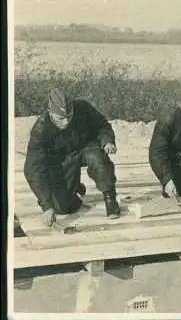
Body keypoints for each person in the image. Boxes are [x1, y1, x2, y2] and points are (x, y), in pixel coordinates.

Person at [24, 88, 121, 227]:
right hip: (62, 161)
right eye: (61, 118)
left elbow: (102, 125)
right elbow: (33, 170)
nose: (66, 122)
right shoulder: (40, 130)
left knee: (99, 161)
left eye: (70, 116)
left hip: (86, 146)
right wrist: (46, 206)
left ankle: (110, 197)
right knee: (63, 208)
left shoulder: (83, 107)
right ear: (50, 112)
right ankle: (74, 188)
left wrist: (107, 141)